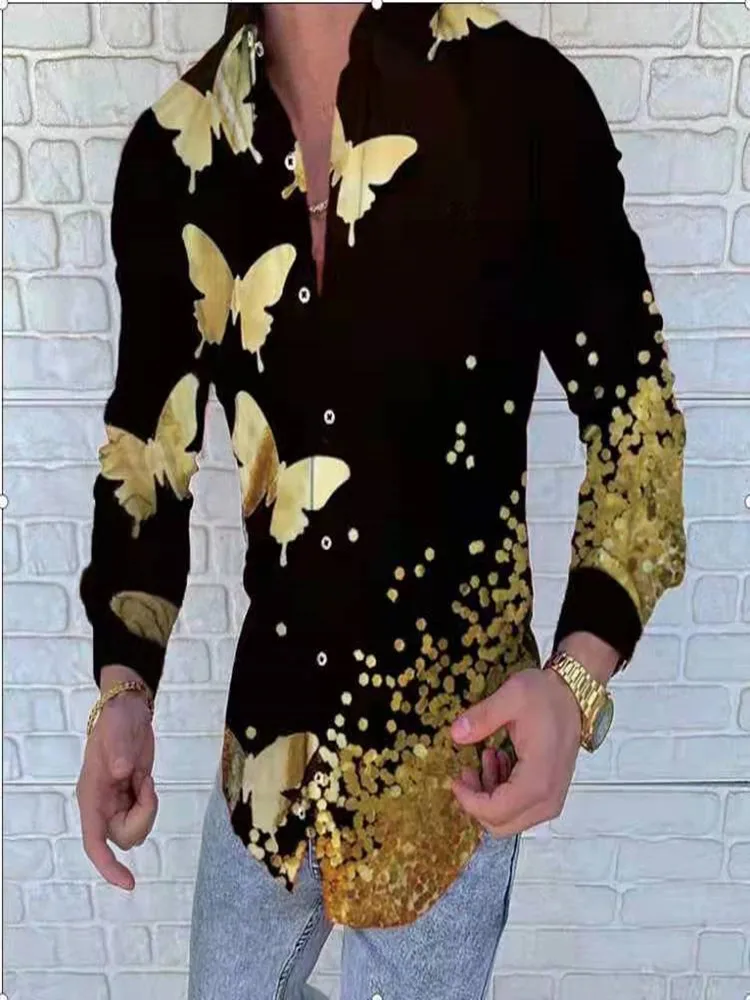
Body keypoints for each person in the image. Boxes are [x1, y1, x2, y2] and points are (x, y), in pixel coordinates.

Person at [75, 4, 687, 998]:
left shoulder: (523, 104)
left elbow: (636, 415)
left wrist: (577, 679)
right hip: (266, 759)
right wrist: (124, 690)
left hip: (455, 777)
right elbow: (149, 454)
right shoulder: (175, 155)